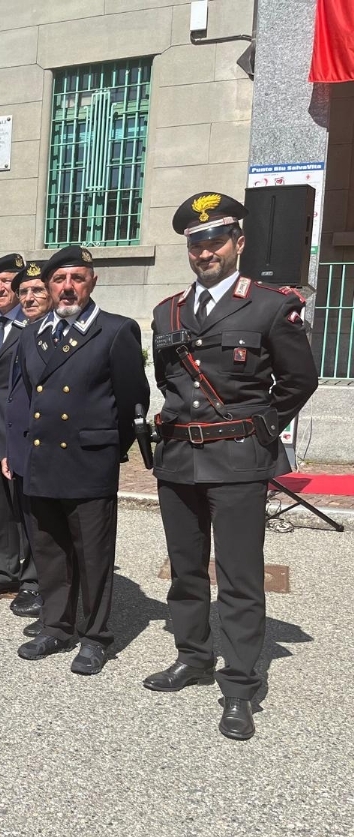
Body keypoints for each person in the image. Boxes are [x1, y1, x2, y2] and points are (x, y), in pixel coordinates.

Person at [145, 192, 319, 740]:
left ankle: (240, 684)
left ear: (238, 243)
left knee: (240, 579)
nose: (205, 251)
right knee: (186, 570)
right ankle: (192, 657)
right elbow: (170, 384)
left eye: (215, 240)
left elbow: (299, 379)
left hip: (239, 461)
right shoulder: (166, 311)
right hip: (178, 461)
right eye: (196, 243)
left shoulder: (269, 305)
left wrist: (261, 427)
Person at [14, 246, 149, 675]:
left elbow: (134, 403)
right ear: (49, 286)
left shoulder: (115, 331)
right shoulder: (31, 334)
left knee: (92, 555)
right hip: (42, 461)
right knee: (50, 550)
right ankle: (56, 624)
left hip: (88, 462)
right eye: (59, 279)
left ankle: (94, 636)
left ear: (92, 281)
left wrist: (105, 447)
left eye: (77, 278)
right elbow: (24, 397)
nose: (68, 287)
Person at [0, 254, 39, 604]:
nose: (0, 288)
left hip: (19, 433)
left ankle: (32, 578)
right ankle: (4, 571)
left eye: (7, 282)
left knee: (25, 510)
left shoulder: (31, 326)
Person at [1, 262, 52, 626]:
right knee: (30, 519)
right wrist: (9, 447)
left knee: (48, 523)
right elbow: (16, 394)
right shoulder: (25, 333)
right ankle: (36, 582)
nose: (29, 298)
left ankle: (47, 588)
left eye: (37, 290)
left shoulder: (60, 333)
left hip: (54, 446)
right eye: (24, 293)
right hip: (21, 443)